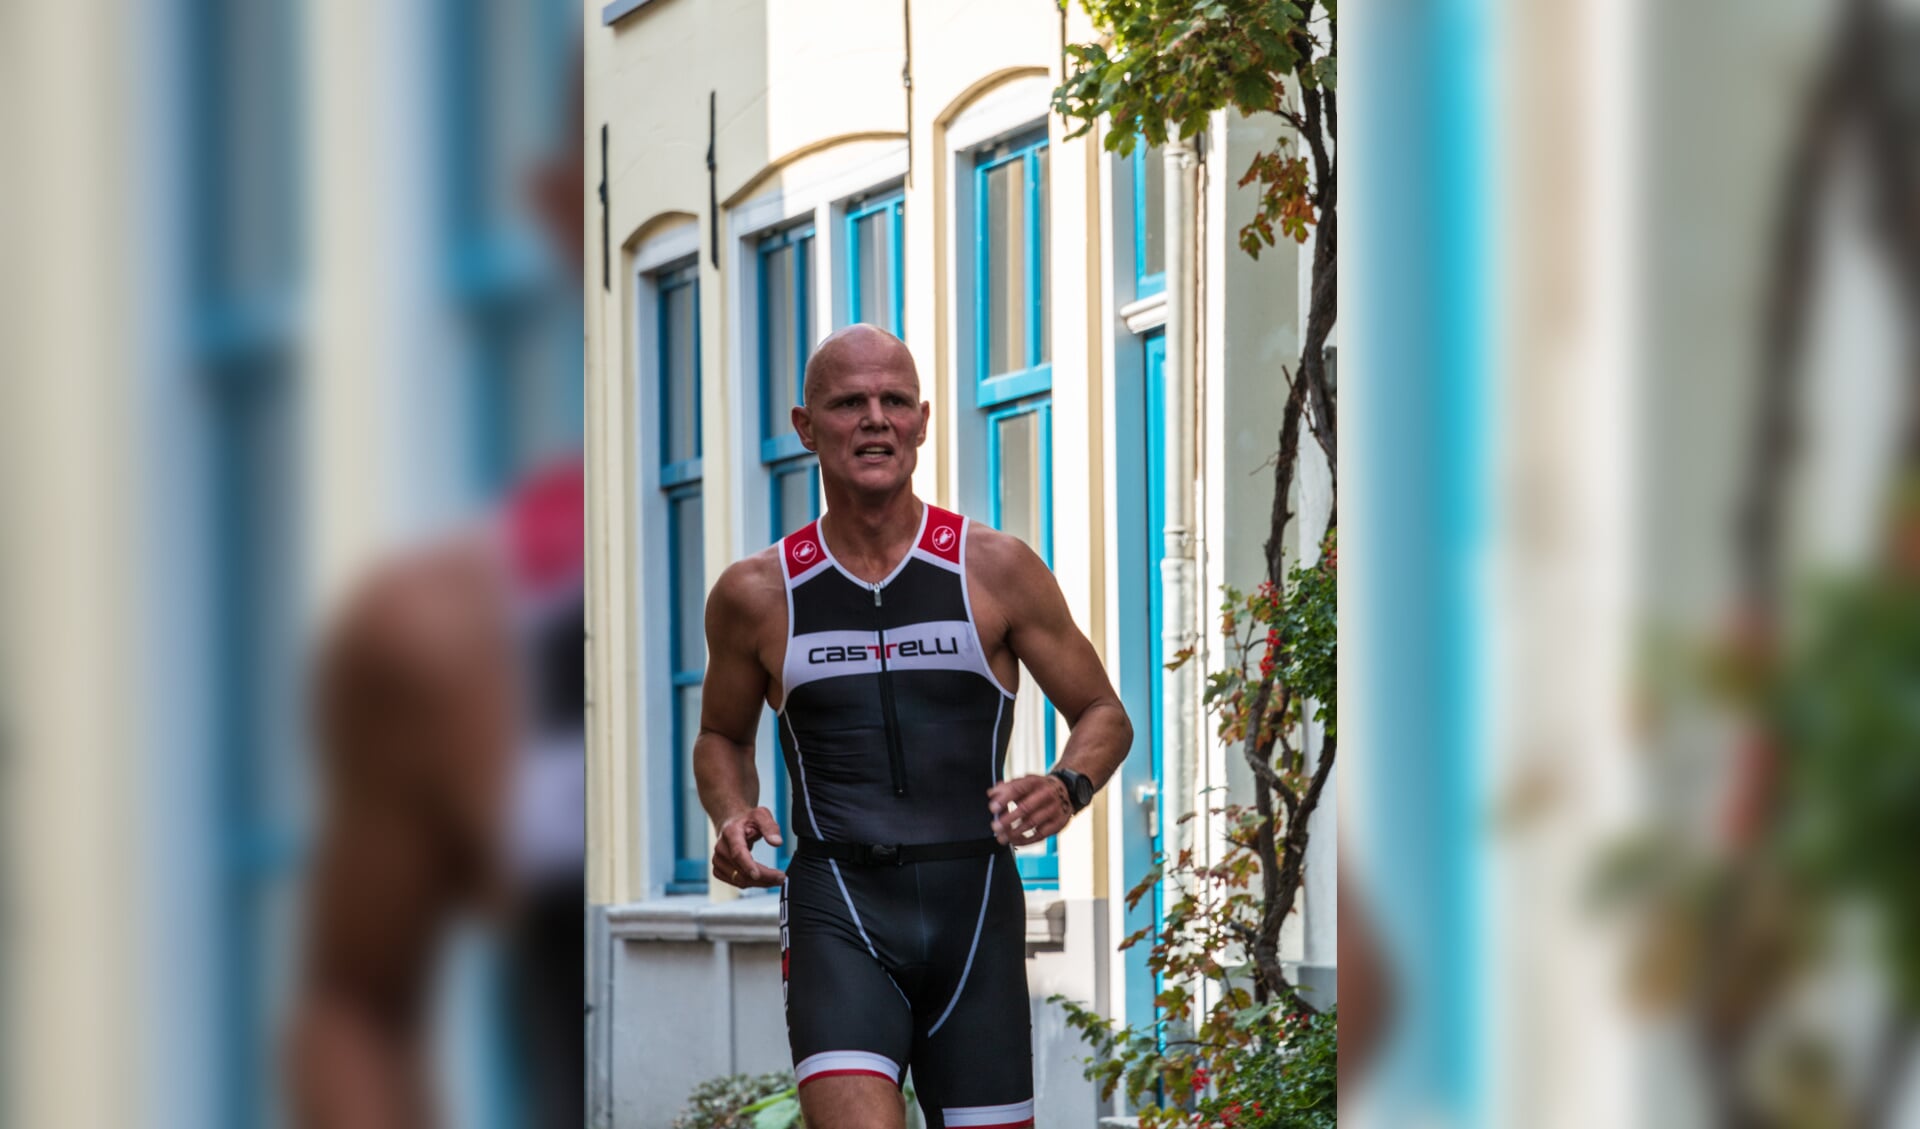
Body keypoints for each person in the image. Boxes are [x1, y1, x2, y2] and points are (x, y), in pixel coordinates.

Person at [695, 324, 1134, 1129]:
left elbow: (1104, 712)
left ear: (924, 422)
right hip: (838, 908)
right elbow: (721, 735)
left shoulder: (994, 567)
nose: (875, 419)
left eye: (894, 401)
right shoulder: (758, 591)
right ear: (804, 426)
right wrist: (731, 813)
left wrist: (1066, 785)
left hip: (976, 916)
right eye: (849, 403)